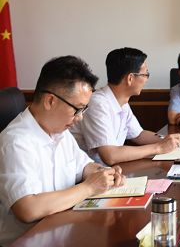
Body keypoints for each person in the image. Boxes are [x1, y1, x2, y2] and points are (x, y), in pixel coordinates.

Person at [0, 56, 124, 245]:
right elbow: (28, 209)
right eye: (77, 109)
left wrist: (104, 173)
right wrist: (89, 187)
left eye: (84, 110)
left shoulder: (60, 131)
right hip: (29, 241)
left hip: (62, 231)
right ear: (50, 101)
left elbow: (84, 166)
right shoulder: (16, 142)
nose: (80, 118)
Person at [71, 47, 180, 165]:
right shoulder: (98, 103)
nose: (146, 79)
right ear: (130, 78)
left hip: (107, 171)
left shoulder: (121, 102)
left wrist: (172, 141)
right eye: (145, 74)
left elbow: (139, 135)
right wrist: (158, 148)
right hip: (84, 175)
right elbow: (110, 156)